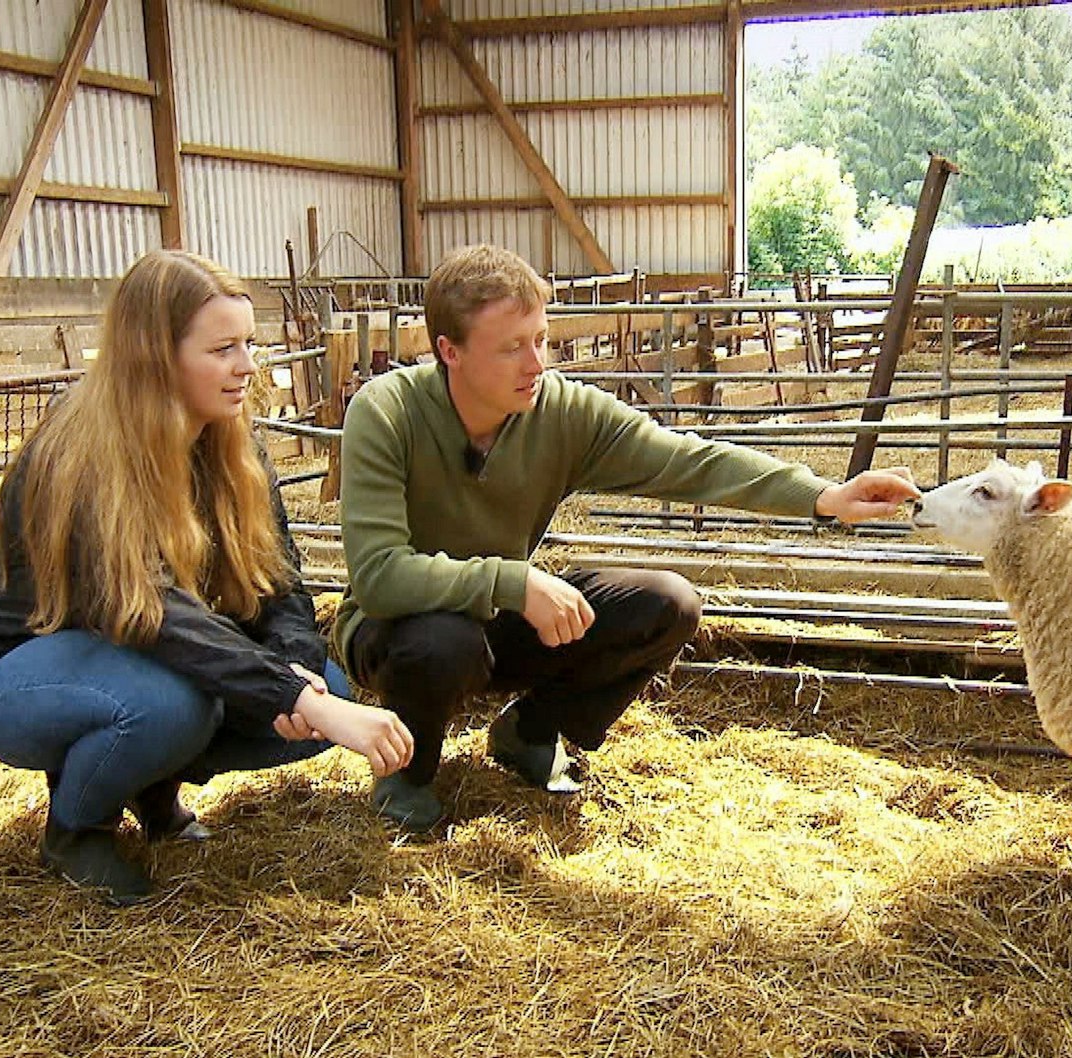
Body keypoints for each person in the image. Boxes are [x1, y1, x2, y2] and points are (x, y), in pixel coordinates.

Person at [336, 244, 919, 831]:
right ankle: (406, 774)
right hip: (398, 629)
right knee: (441, 642)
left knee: (669, 605)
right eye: (511, 347)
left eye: (539, 339)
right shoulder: (386, 414)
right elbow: (381, 577)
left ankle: (530, 731)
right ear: (449, 352)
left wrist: (822, 496)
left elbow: (688, 462)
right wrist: (513, 581)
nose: (536, 363)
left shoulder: (558, 412)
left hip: (498, 614)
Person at [0, 250, 413, 906]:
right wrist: (297, 700)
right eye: (222, 349)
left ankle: (150, 788)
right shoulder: (81, 452)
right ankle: (77, 830)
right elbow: (145, 610)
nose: (247, 365)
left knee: (318, 681)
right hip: (11, 666)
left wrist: (296, 669)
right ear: (156, 356)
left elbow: (280, 584)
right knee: (180, 704)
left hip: (130, 654)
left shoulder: (229, 440)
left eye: (249, 342)